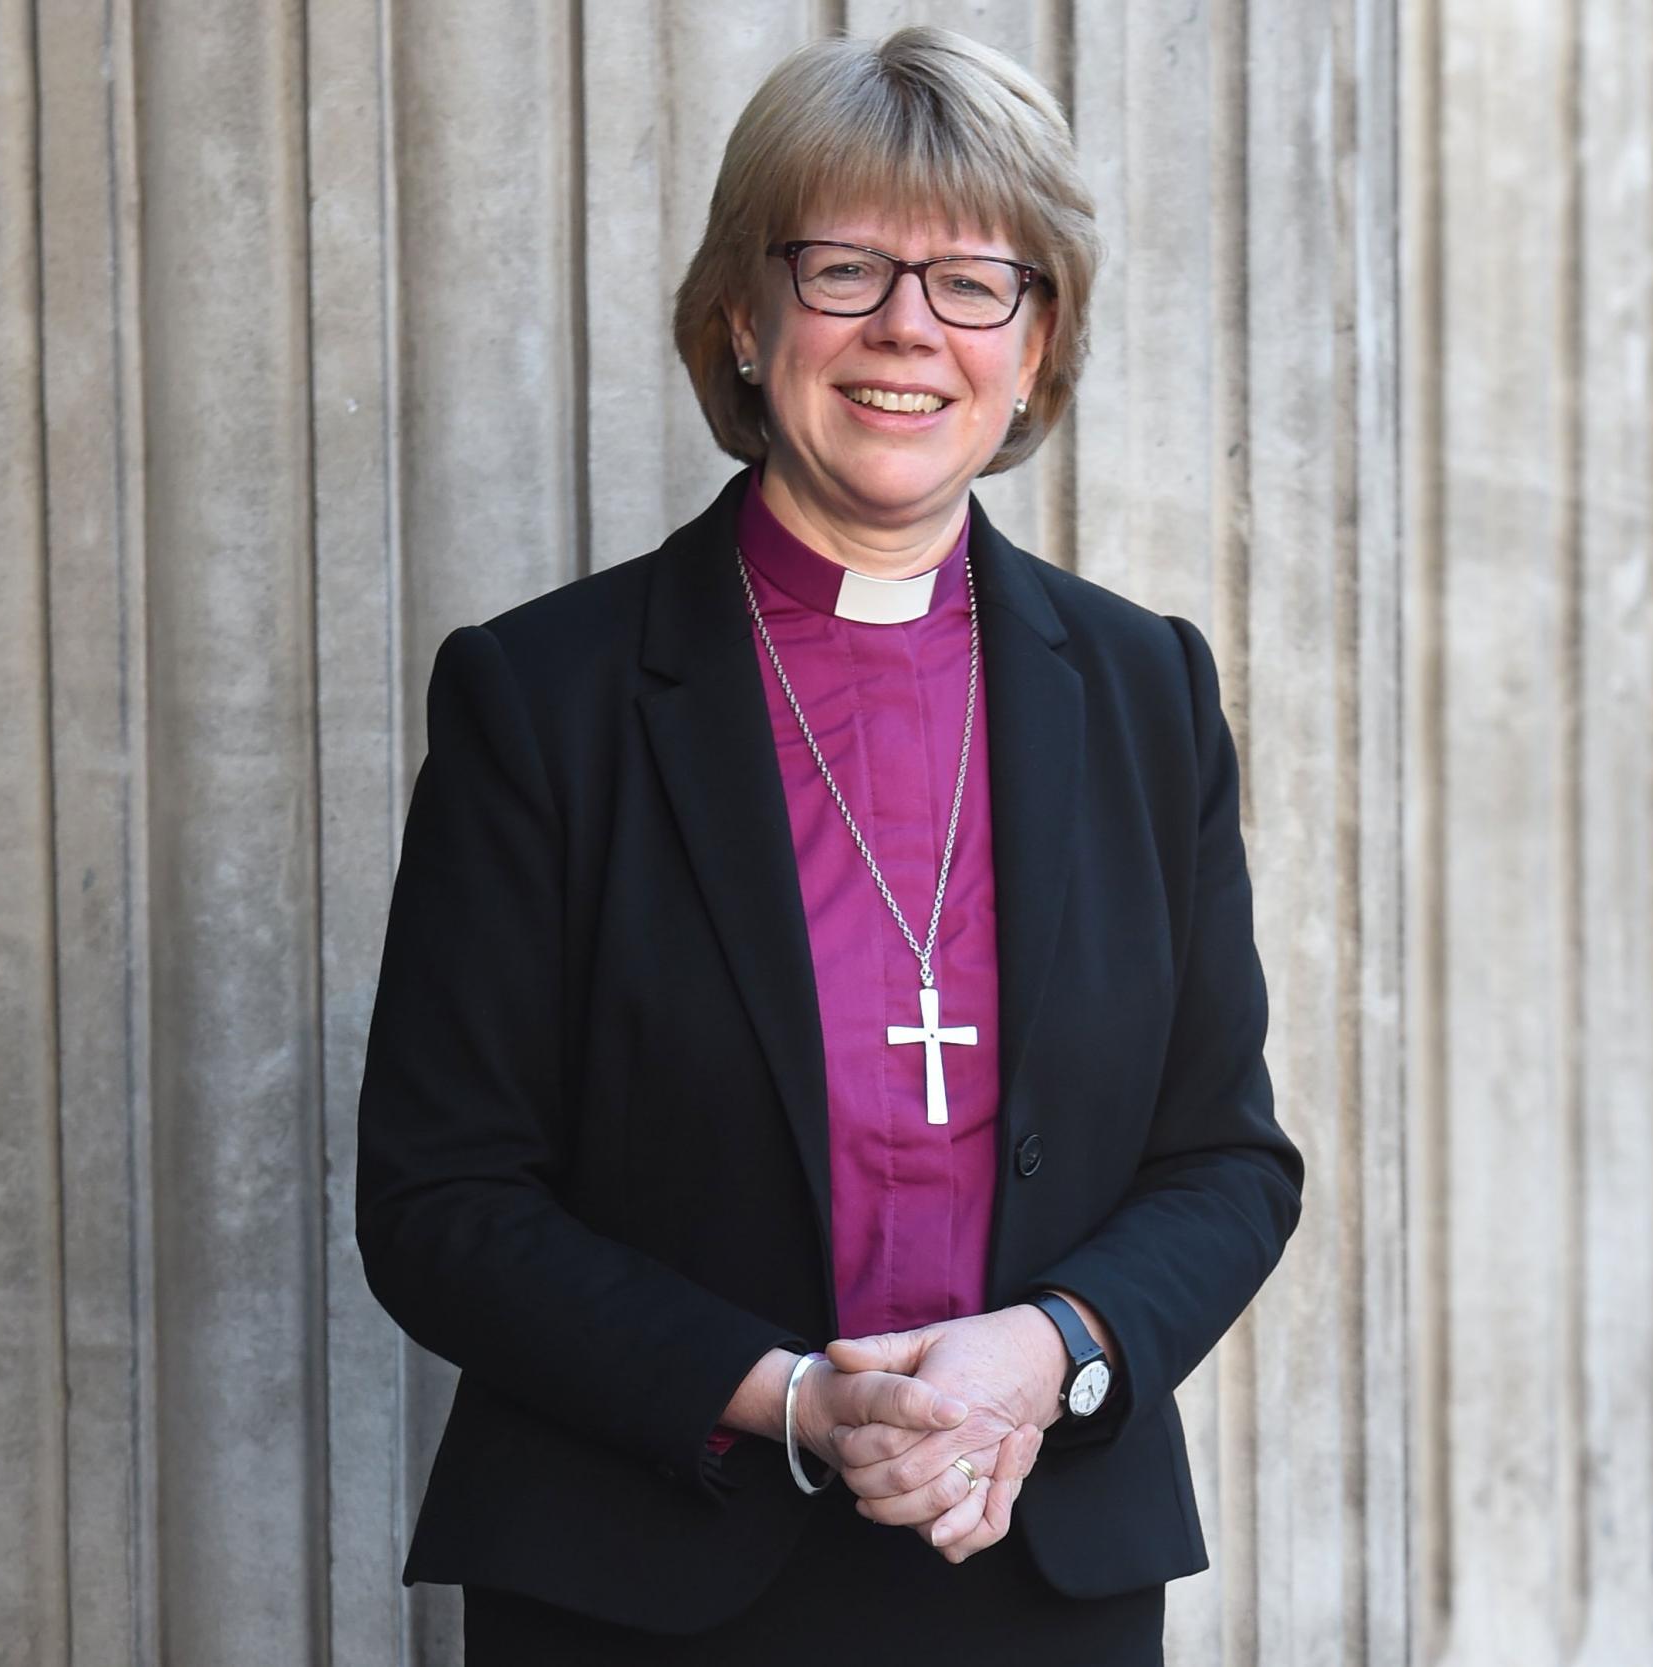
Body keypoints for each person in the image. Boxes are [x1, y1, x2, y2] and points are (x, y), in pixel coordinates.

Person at [356, 25, 1303, 1663]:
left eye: (972, 284)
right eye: (845, 268)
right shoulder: (545, 695)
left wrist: (1054, 1348)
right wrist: (793, 1398)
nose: (907, 332)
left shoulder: (1149, 687)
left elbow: (1226, 1163)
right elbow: (441, 1200)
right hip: (643, 1566)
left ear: (1039, 338)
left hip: (1039, 1553)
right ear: (744, 313)